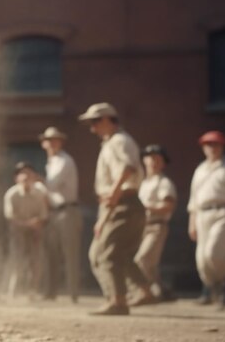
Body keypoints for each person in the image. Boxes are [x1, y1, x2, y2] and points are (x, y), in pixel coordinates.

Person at [79, 102, 155, 315]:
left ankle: (118, 301)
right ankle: (144, 291)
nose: (92, 127)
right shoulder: (111, 142)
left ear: (106, 120)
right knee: (119, 253)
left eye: (94, 122)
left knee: (107, 253)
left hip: (123, 203)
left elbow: (128, 167)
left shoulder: (120, 140)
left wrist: (113, 195)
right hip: (120, 203)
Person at [187, 132, 225, 308]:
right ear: (203, 148)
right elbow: (194, 199)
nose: (212, 148)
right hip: (202, 214)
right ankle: (214, 290)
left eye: (216, 145)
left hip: (224, 212)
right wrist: (192, 222)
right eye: (208, 145)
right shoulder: (200, 170)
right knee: (202, 259)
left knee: (214, 253)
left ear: (222, 147)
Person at [38, 127, 83, 303]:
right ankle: (50, 293)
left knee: (70, 253)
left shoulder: (65, 161)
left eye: (55, 139)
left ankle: (73, 294)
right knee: (51, 253)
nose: (52, 143)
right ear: (43, 143)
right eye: (49, 140)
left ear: (61, 142)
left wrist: (35, 179)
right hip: (53, 212)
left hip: (68, 211)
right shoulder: (50, 162)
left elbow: (52, 184)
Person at [134, 144, 177, 302]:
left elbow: (168, 206)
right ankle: (162, 291)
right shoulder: (143, 183)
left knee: (142, 259)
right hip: (141, 226)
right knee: (150, 265)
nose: (153, 161)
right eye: (150, 157)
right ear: (144, 160)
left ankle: (144, 293)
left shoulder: (164, 183)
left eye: (157, 158)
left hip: (156, 225)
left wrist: (146, 207)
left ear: (163, 163)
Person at [3, 161, 49, 300]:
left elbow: (43, 215)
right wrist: (28, 224)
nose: (26, 177)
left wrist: (37, 225)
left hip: (35, 231)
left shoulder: (40, 193)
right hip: (18, 231)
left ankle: (32, 292)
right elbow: (11, 218)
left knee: (35, 261)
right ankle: (12, 291)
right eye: (23, 174)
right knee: (17, 261)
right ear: (16, 178)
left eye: (29, 174)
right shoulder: (11, 194)